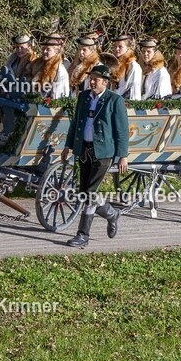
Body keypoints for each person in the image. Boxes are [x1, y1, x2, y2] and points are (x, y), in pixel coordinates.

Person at [61, 64, 129, 248]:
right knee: (84, 193)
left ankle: (83, 235)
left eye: (96, 80)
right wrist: (68, 145)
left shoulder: (114, 100)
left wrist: (123, 155)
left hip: (104, 152)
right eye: (90, 79)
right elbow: (75, 123)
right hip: (84, 149)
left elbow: (122, 130)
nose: (91, 82)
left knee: (90, 193)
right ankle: (111, 213)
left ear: (105, 82)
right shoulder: (83, 97)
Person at [111, 34, 143, 100]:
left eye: (120, 47)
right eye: (115, 46)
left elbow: (133, 92)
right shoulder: (114, 65)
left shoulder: (134, 66)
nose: (117, 49)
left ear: (128, 48)